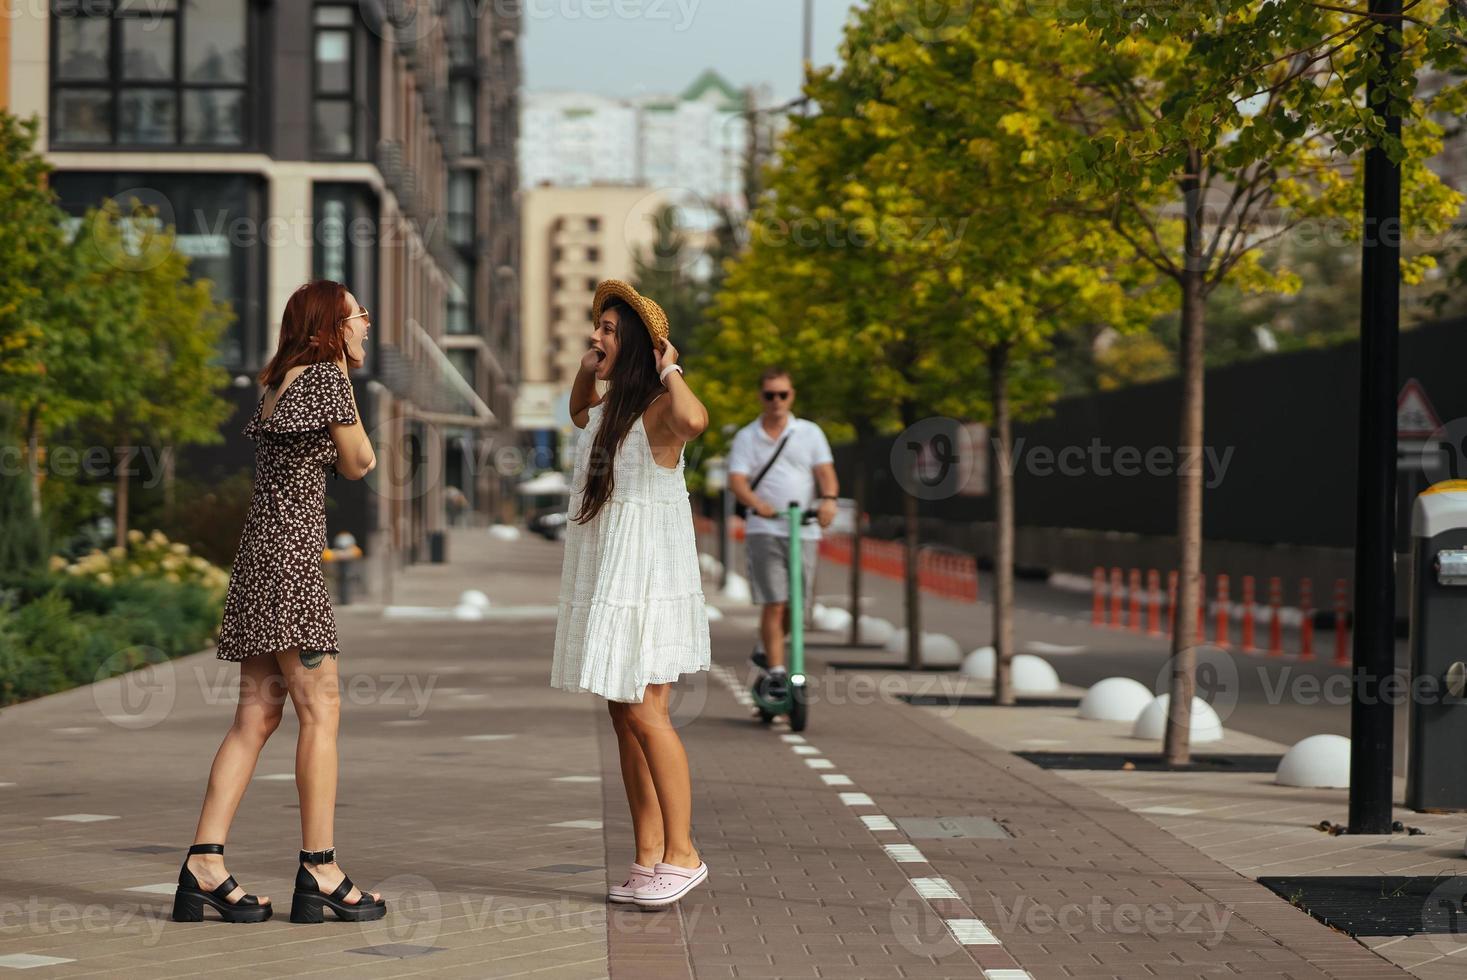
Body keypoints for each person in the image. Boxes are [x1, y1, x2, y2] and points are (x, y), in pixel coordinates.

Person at [173, 280, 386, 925]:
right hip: (293, 563)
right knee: (321, 711)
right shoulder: (327, 378)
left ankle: (203, 866)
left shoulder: (281, 380)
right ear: (331, 325)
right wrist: (347, 387)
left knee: (256, 718)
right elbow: (360, 464)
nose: (367, 322)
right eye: (357, 313)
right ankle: (320, 867)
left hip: (258, 557)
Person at [550, 279, 712, 909]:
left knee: (647, 712)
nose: (598, 336)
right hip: (614, 572)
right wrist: (586, 370)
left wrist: (671, 368)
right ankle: (648, 854)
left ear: (641, 346)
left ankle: (684, 852)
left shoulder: (660, 411)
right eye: (600, 329)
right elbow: (577, 413)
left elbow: (697, 419)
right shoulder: (613, 411)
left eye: (611, 331)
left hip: (649, 576)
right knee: (623, 715)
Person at [727, 368, 839, 702]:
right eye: (769, 395)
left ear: (792, 396)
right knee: (775, 603)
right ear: (760, 397)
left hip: (802, 529)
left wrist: (829, 501)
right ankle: (776, 672)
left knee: (799, 607)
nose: (776, 401)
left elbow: (825, 473)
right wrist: (757, 504)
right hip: (765, 528)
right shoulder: (748, 436)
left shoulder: (809, 433)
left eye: (783, 395)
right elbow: (737, 480)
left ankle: (765, 647)